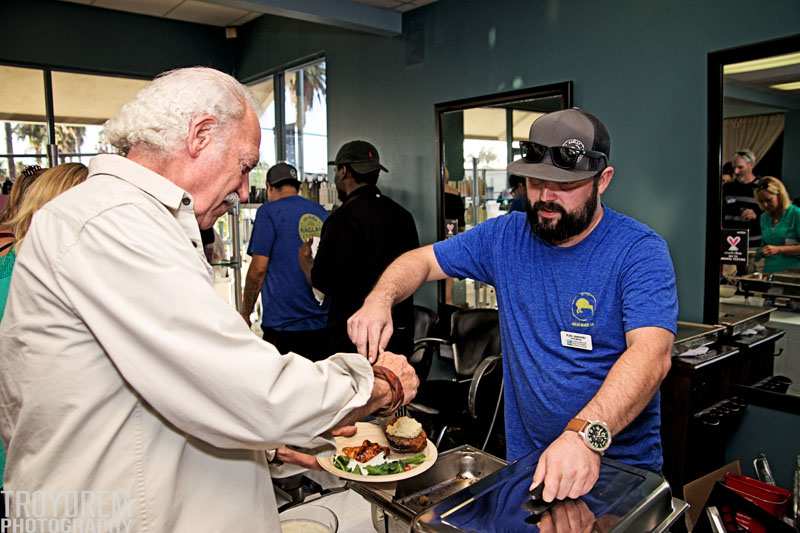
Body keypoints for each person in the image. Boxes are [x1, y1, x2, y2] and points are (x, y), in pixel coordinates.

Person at [0, 67, 418, 533]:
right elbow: (252, 391)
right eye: (243, 167)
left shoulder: (136, 221)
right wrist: (376, 383)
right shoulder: (109, 222)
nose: (243, 191)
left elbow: (161, 396)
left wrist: (266, 445)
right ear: (199, 136)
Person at [348, 108, 677, 503]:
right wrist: (379, 299)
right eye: (536, 182)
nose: (547, 197)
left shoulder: (639, 251)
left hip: (619, 475)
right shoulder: (505, 237)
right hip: (530, 469)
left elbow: (651, 355)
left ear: (602, 181)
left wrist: (585, 436)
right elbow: (419, 262)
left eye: (564, 185)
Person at [300, 140, 420, 355]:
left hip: (353, 339)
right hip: (397, 334)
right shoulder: (403, 216)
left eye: (337, 170)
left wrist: (306, 263)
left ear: (344, 171)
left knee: (356, 390)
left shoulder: (340, 220)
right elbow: (414, 272)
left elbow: (323, 280)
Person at [241, 161, 329, 361]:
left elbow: (258, 270)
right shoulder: (322, 212)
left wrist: (246, 312)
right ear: (297, 187)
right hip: (322, 325)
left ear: (269, 187)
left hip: (284, 327)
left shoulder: (268, 212)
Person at [755, 176, 800, 273]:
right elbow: (766, 244)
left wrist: (779, 249)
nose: (765, 205)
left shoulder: (796, 214)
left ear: (780, 195)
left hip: (794, 274)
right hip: (770, 273)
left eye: (768, 200)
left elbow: (776, 248)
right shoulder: (764, 218)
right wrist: (759, 252)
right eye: (761, 201)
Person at [723, 149, 762, 246]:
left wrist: (756, 214)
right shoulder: (727, 187)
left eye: (740, 167)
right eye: (734, 167)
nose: (736, 171)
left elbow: (772, 216)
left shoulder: (762, 187)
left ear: (751, 165)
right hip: (729, 244)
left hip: (753, 244)